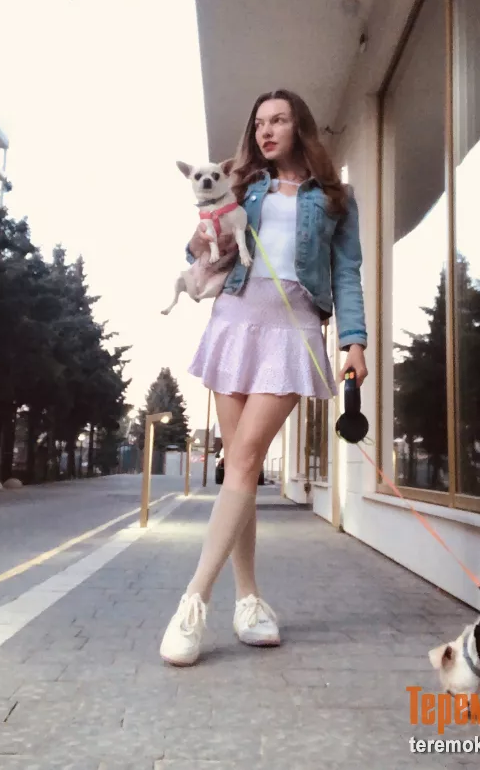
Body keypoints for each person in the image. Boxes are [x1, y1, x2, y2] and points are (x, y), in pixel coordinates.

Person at [160, 89, 368, 666]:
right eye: (259, 124)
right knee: (241, 468)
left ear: (300, 127)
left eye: (278, 120)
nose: (266, 131)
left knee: (247, 456)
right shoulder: (244, 186)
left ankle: (193, 601)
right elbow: (199, 247)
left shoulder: (335, 198)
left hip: (291, 332)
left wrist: (353, 340)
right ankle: (248, 600)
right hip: (233, 322)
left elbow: (347, 272)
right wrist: (199, 240)